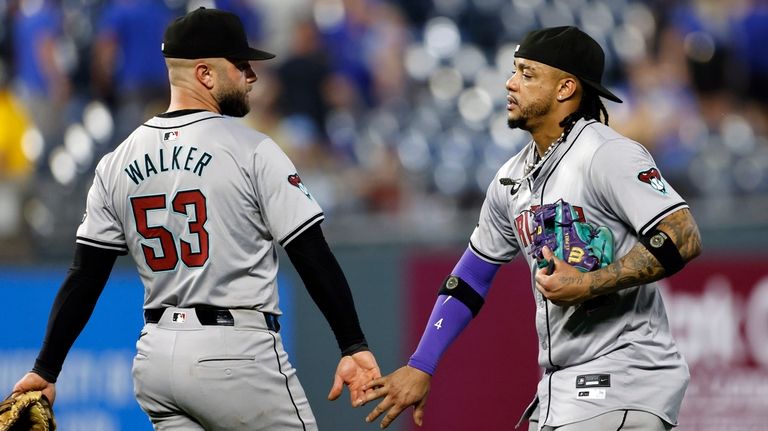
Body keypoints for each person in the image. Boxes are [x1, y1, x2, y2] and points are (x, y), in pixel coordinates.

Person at [11, 7, 380, 431]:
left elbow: (85, 276)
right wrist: (352, 343)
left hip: (156, 360)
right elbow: (311, 253)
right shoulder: (251, 149)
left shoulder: (117, 160)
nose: (251, 75)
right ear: (205, 73)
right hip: (236, 354)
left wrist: (46, 368)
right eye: (240, 65)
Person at [362, 26, 702, 430]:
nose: (510, 83)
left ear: (565, 88)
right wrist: (422, 363)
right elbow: (470, 277)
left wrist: (588, 284)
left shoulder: (607, 154)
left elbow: (683, 236)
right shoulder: (511, 178)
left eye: (526, 73)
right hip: (566, 390)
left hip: (623, 379)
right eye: (513, 71)